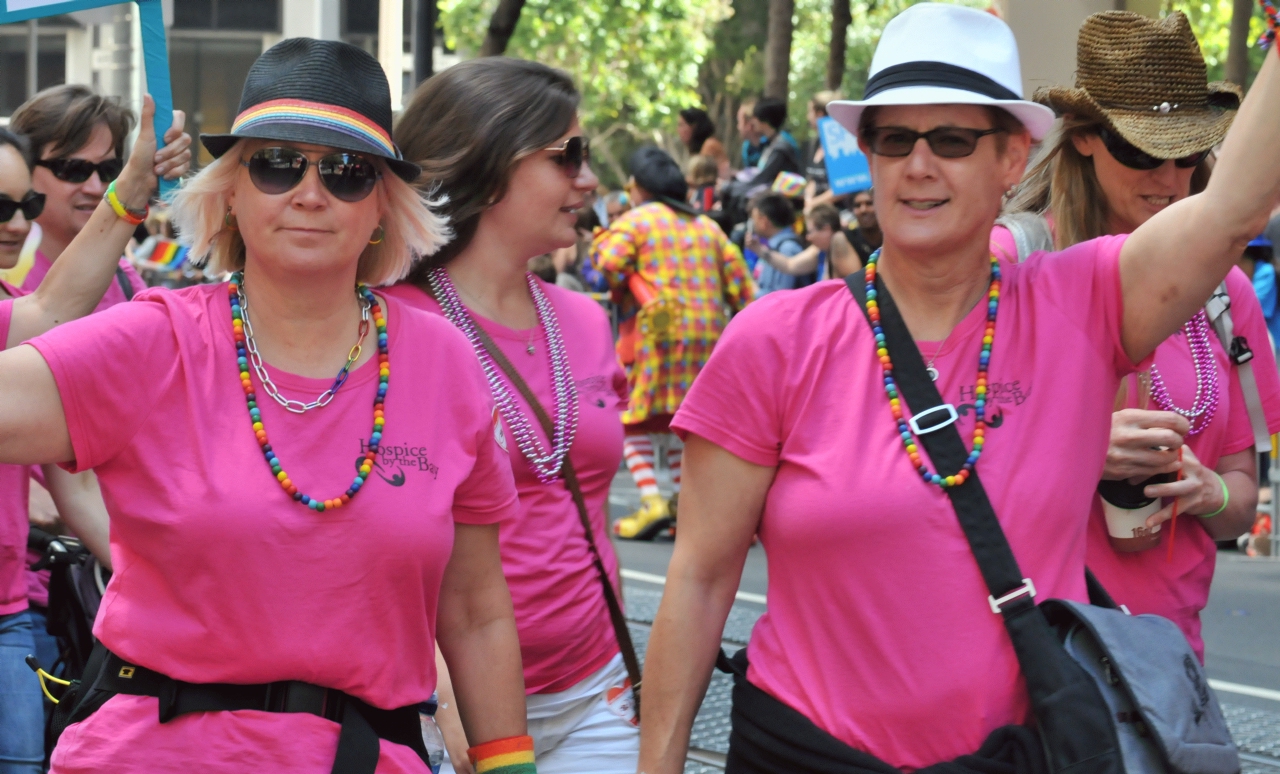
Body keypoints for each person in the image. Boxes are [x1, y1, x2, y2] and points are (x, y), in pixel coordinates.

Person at [635, 3, 1280, 772]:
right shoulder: (775, 339)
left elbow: (1234, 204)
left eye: (950, 140)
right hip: (802, 752)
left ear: (1011, 159)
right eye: (893, 139)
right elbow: (701, 581)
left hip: (1014, 754)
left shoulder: (1085, 300)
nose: (917, 165)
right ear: (866, 154)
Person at [0, 39, 534, 774]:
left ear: (382, 204)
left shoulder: (442, 361)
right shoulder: (155, 339)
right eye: (277, 163)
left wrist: (511, 767)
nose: (309, 193)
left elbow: (476, 612)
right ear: (233, 192)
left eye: (347, 173)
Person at [997, 10, 1280, 661]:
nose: (1168, 177)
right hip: (1029, 655)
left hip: (1163, 668)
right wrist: (1077, 448)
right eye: (1143, 150)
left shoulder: (1222, 292)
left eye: (1188, 153)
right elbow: (928, 453)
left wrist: (1208, 492)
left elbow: (1242, 502)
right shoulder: (1012, 266)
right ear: (1086, 138)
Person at [391, 57, 640, 774]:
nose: (589, 180)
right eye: (568, 156)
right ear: (489, 162)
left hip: (597, 690)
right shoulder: (387, 330)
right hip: (446, 711)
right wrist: (443, 702)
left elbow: (587, 510)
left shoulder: (588, 323)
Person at [0, 107, 190, 774]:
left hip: (10, 624)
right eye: (0, 204)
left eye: (23, 202)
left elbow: (51, 311)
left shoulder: (13, 310)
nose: (16, 223)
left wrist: (134, 185)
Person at [593, 146, 753, 540]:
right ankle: (684, 503)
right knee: (687, 424)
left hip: (655, 334)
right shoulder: (709, 228)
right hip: (707, 339)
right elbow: (744, 290)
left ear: (638, 187)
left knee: (630, 419)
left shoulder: (637, 220)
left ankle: (652, 500)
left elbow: (609, 262)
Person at [10, 86, 147, 309]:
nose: (95, 187)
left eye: (107, 169)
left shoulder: (126, 279)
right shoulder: (7, 279)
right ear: (24, 170)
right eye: (72, 169)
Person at [744, 191, 806, 293]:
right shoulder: (772, 247)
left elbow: (782, 299)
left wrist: (750, 286)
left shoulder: (787, 249)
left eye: (754, 219)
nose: (752, 224)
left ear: (764, 221)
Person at [740, 98, 802, 190]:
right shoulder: (772, 142)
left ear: (765, 120)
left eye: (755, 117)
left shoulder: (781, 147)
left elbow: (763, 178)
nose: (752, 122)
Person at [803, 90, 843, 210]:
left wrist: (814, 204)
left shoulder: (841, 145)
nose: (807, 116)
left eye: (810, 112)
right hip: (817, 214)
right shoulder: (815, 143)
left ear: (819, 114)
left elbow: (844, 188)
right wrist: (808, 198)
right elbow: (813, 180)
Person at [841, 187, 881, 267]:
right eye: (857, 205)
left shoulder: (893, 237)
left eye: (869, 203)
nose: (863, 210)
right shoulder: (846, 238)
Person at [736, 100, 762, 170]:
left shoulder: (770, 143)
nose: (738, 127)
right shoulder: (747, 146)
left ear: (749, 124)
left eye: (739, 122)